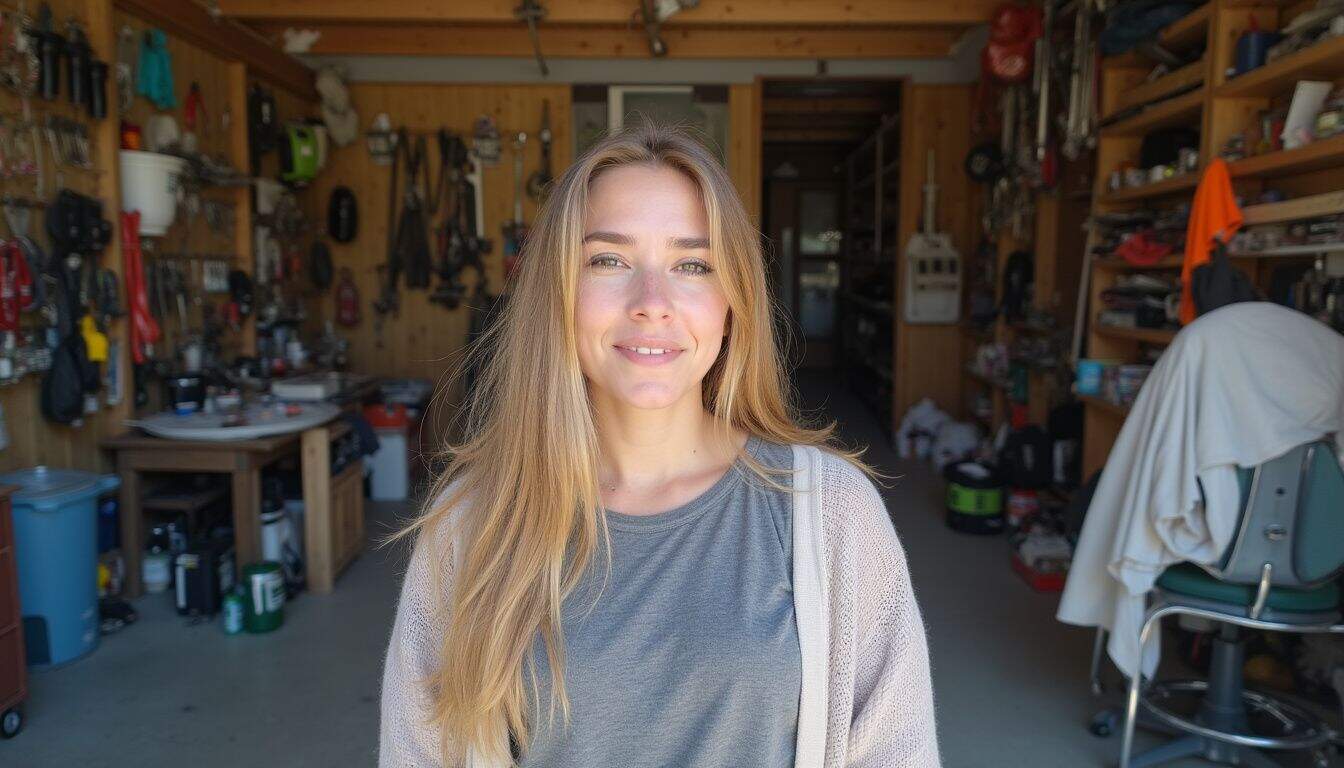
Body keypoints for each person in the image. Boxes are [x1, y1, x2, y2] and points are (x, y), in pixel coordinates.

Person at [379, 122, 939, 767]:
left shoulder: (831, 510)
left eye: (692, 264)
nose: (652, 302)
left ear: (733, 301)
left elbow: (897, 752)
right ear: (556, 295)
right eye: (608, 260)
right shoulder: (471, 519)